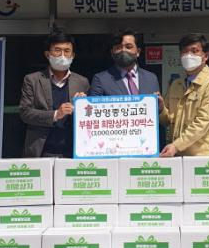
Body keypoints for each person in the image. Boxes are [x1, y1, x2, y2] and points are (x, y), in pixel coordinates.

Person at [18, 29, 89, 157]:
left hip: (73, 152)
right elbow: (25, 113)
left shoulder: (82, 82)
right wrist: (56, 114)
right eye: (57, 50)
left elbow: (89, 118)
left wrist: (83, 107)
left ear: (73, 55)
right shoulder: (32, 80)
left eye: (67, 51)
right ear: (47, 54)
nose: (62, 55)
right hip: (41, 151)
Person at [158, 33, 209, 156]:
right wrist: (160, 108)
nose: (189, 55)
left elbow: (203, 123)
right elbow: (168, 120)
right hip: (177, 155)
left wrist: (176, 146)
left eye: (194, 51)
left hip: (203, 156)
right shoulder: (176, 85)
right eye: (185, 52)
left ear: (205, 56)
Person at [89, 29, 160, 96]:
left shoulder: (151, 78)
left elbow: (155, 103)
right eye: (118, 47)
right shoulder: (101, 80)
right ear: (112, 53)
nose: (123, 50)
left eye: (128, 47)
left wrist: (161, 104)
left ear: (138, 52)